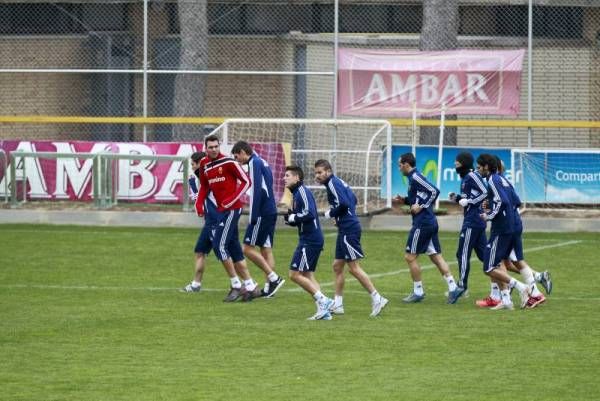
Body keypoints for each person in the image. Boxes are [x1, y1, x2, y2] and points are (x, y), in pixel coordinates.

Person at [313, 159, 388, 317]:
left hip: (349, 229)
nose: (317, 176)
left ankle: (377, 297)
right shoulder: (336, 182)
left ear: (328, 171)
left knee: (354, 268)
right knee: (337, 266)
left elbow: (346, 203)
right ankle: (338, 304)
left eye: (320, 172)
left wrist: (331, 214)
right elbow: (353, 199)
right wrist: (340, 217)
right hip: (345, 227)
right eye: (316, 173)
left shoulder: (332, 183)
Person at [475, 156, 551, 309]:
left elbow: (503, 201)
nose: (478, 169)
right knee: (514, 260)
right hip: (515, 223)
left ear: (487, 167)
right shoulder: (505, 180)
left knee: (489, 267)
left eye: (479, 167)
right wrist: (492, 205)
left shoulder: (492, 181)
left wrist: (489, 215)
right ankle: (532, 294)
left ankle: (523, 289)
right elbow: (516, 201)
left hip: (503, 228)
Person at [195, 135, 260, 302]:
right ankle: (251, 287)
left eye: (216, 146)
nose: (214, 149)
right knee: (234, 248)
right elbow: (204, 186)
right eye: (210, 147)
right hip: (222, 210)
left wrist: (231, 200)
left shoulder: (229, 163)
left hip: (232, 209)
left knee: (219, 245)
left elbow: (246, 182)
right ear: (205, 148)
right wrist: (198, 204)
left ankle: (236, 285)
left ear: (219, 146)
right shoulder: (204, 164)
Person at [395, 152, 458, 303]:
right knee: (436, 256)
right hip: (428, 221)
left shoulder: (415, 177)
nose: (399, 168)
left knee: (410, 257)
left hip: (423, 223)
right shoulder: (413, 178)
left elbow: (434, 191)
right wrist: (404, 200)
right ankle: (453, 287)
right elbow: (417, 198)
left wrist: (421, 206)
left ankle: (418, 291)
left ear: (406, 164)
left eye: (400, 165)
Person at [231, 140, 285, 298]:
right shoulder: (262, 161)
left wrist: (253, 215)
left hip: (262, 212)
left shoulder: (254, 162)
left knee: (247, 248)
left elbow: (256, 191)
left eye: (237, 156)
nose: (237, 160)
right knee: (266, 249)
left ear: (242, 152)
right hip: (270, 210)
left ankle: (274, 278)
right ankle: (270, 288)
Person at [283, 165, 333, 320]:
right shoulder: (296, 194)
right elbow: (302, 217)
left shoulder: (302, 192)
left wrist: (293, 218)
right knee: (308, 275)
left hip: (310, 240)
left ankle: (324, 300)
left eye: (288, 175)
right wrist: (291, 220)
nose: (284, 178)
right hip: (310, 238)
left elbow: (310, 214)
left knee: (294, 274)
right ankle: (323, 311)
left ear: (297, 177)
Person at [447, 151, 488, 304]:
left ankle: (462, 286)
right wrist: (457, 198)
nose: (455, 165)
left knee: (462, 254)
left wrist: (468, 202)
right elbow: (471, 197)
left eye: (457, 163)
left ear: (463, 163)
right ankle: (506, 283)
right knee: (485, 257)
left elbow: (485, 193)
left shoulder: (471, 176)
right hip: (475, 221)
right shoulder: (466, 177)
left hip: (472, 222)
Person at [180, 151, 221, 293]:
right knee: (200, 251)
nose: (191, 167)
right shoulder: (202, 177)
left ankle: (245, 283)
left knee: (226, 254)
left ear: (199, 164)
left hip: (216, 221)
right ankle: (196, 284)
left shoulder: (209, 177)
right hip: (209, 222)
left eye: (193, 164)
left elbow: (202, 201)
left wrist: (192, 184)